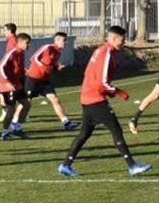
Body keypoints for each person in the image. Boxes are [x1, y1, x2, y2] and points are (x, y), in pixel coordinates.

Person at [58, 26, 151, 178]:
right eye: (122, 39)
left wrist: (106, 90)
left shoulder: (101, 51)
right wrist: (118, 92)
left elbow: (89, 73)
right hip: (95, 99)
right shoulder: (106, 53)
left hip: (88, 96)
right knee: (116, 130)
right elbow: (101, 82)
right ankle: (132, 166)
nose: (124, 42)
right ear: (114, 39)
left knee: (85, 133)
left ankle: (66, 165)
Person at [16, 32, 78, 131]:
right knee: (26, 102)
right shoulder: (48, 47)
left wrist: (57, 68)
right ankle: (15, 122)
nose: (66, 43)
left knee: (55, 99)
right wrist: (42, 67)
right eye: (64, 40)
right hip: (33, 78)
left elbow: (50, 67)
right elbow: (34, 58)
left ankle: (67, 123)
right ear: (57, 40)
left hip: (44, 81)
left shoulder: (58, 52)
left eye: (66, 40)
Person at [0, 32, 31, 140]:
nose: (29, 45)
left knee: (26, 104)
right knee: (11, 109)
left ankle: (17, 128)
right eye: (27, 43)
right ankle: (5, 132)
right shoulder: (12, 53)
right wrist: (7, 82)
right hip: (7, 86)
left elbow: (17, 69)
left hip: (17, 84)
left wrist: (25, 71)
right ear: (20, 42)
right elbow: (0, 67)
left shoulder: (21, 53)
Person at [0, 23, 18, 123]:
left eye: (4, 30)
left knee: (4, 93)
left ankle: (9, 115)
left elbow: (11, 57)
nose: (3, 32)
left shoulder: (12, 41)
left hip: (9, 72)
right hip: (11, 71)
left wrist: (2, 68)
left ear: (9, 31)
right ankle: (8, 114)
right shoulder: (13, 40)